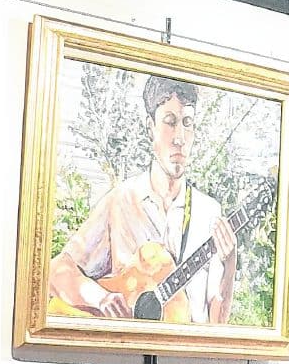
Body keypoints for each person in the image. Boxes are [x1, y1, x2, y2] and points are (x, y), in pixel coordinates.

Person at [48, 75, 237, 323]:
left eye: (187, 123)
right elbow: (57, 270)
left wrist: (230, 261)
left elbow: (217, 324)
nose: (179, 137)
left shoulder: (209, 212)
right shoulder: (121, 200)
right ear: (150, 127)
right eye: (170, 122)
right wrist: (101, 298)